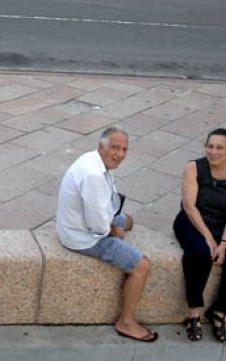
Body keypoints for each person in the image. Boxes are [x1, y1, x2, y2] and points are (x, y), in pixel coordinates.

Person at [56, 126, 158, 342]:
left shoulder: (93, 160)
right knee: (142, 266)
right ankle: (126, 322)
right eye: (114, 148)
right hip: (83, 237)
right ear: (101, 147)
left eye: (124, 149)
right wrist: (113, 231)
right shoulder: (93, 175)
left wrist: (117, 222)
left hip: (84, 220)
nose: (119, 154)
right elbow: (97, 225)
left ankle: (120, 223)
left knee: (128, 221)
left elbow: (101, 207)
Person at [174, 128, 226, 342]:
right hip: (193, 222)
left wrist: (224, 243)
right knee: (199, 254)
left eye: (219, 147)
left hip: (224, 224)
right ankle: (194, 313)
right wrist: (208, 238)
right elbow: (189, 206)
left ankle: (219, 311)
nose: (213, 151)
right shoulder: (193, 168)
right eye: (210, 146)